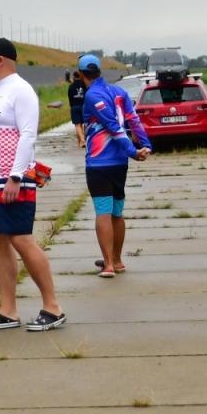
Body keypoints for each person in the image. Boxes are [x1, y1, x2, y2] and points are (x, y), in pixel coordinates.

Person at [0, 38, 66, 331]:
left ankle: (52, 306)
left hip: (10, 180)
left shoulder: (21, 90)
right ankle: (8, 310)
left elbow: (27, 136)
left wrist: (16, 176)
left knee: (21, 239)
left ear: (0, 59)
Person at [77, 53, 150, 277]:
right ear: (99, 71)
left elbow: (111, 124)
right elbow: (133, 119)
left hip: (99, 163)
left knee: (103, 212)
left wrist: (133, 152)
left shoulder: (92, 95)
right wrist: (145, 144)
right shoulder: (119, 92)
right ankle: (117, 260)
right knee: (117, 212)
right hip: (119, 164)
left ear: (81, 74)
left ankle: (108, 264)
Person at [66, 69, 88, 147]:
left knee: (77, 125)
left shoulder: (71, 86)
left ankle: (81, 140)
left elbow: (70, 98)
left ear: (74, 77)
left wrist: (72, 106)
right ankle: (82, 140)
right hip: (83, 106)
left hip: (74, 107)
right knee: (84, 124)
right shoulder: (84, 85)